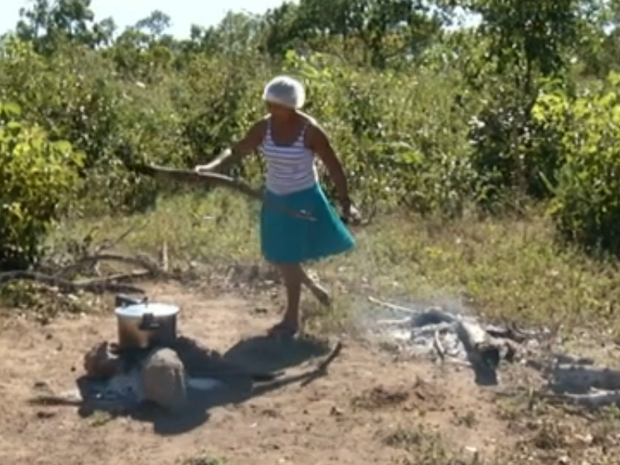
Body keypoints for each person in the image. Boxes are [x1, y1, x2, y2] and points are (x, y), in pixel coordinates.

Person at [195, 75, 356, 338]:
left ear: (292, 106)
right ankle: (315, 289)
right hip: (275, 199)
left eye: (277, 105)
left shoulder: (310, 130)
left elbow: (334, 166)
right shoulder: (263, 127)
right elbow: (236, 150)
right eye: (268, 104)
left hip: (304, 199)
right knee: (279, 257)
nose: (271, 109)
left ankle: (291, 320)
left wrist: (344, 201)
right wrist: (210, 168)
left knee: (288, 257)